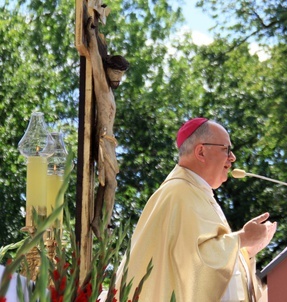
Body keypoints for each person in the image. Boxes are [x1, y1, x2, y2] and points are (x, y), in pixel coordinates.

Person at [113, 118, 277, 301]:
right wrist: (242, 238)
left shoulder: (198, 193)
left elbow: (209, 259)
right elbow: (192, 262)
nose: (232, 158)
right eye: (227, 150)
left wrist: (245, 251)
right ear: (201, 151)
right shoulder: (178, 194)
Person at [86, 16, 129, 238]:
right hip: (103, 139)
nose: (119, 79)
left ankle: (98, 220)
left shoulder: (110, 92)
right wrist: (92, 36)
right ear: (109, 70)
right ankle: (102, 224)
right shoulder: (103, 87)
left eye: (121, 75)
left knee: (107, 184)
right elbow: (94, 60)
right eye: (116, 73)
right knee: (111, 183)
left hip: (109, 141)